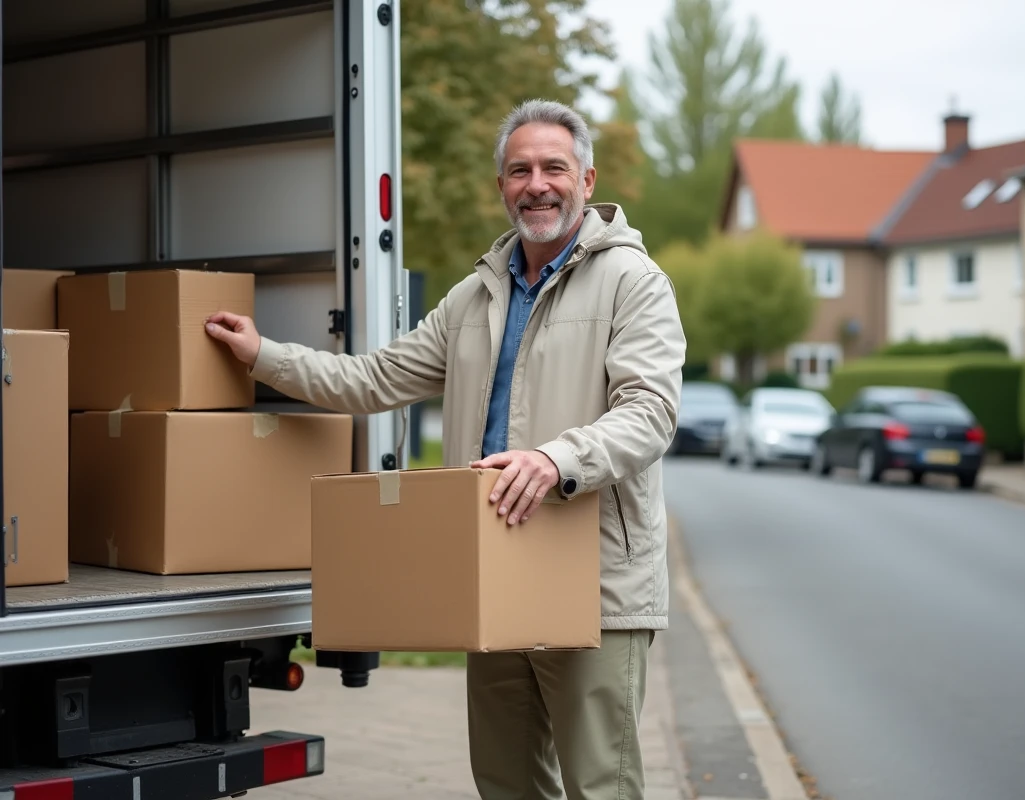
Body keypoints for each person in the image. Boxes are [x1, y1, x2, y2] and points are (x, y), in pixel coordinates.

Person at [204, 98, 686, 800]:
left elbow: (650, 414)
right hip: (492, 570)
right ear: (502, 188)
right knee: (504, 782)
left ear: (586, 180)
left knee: (600, 787)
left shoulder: (634, 283)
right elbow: (371, 378)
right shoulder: (474, 296)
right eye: (519, 170)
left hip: (594, 583)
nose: (536, 183)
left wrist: (556, 460)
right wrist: (262, 355)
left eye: (554, 166)